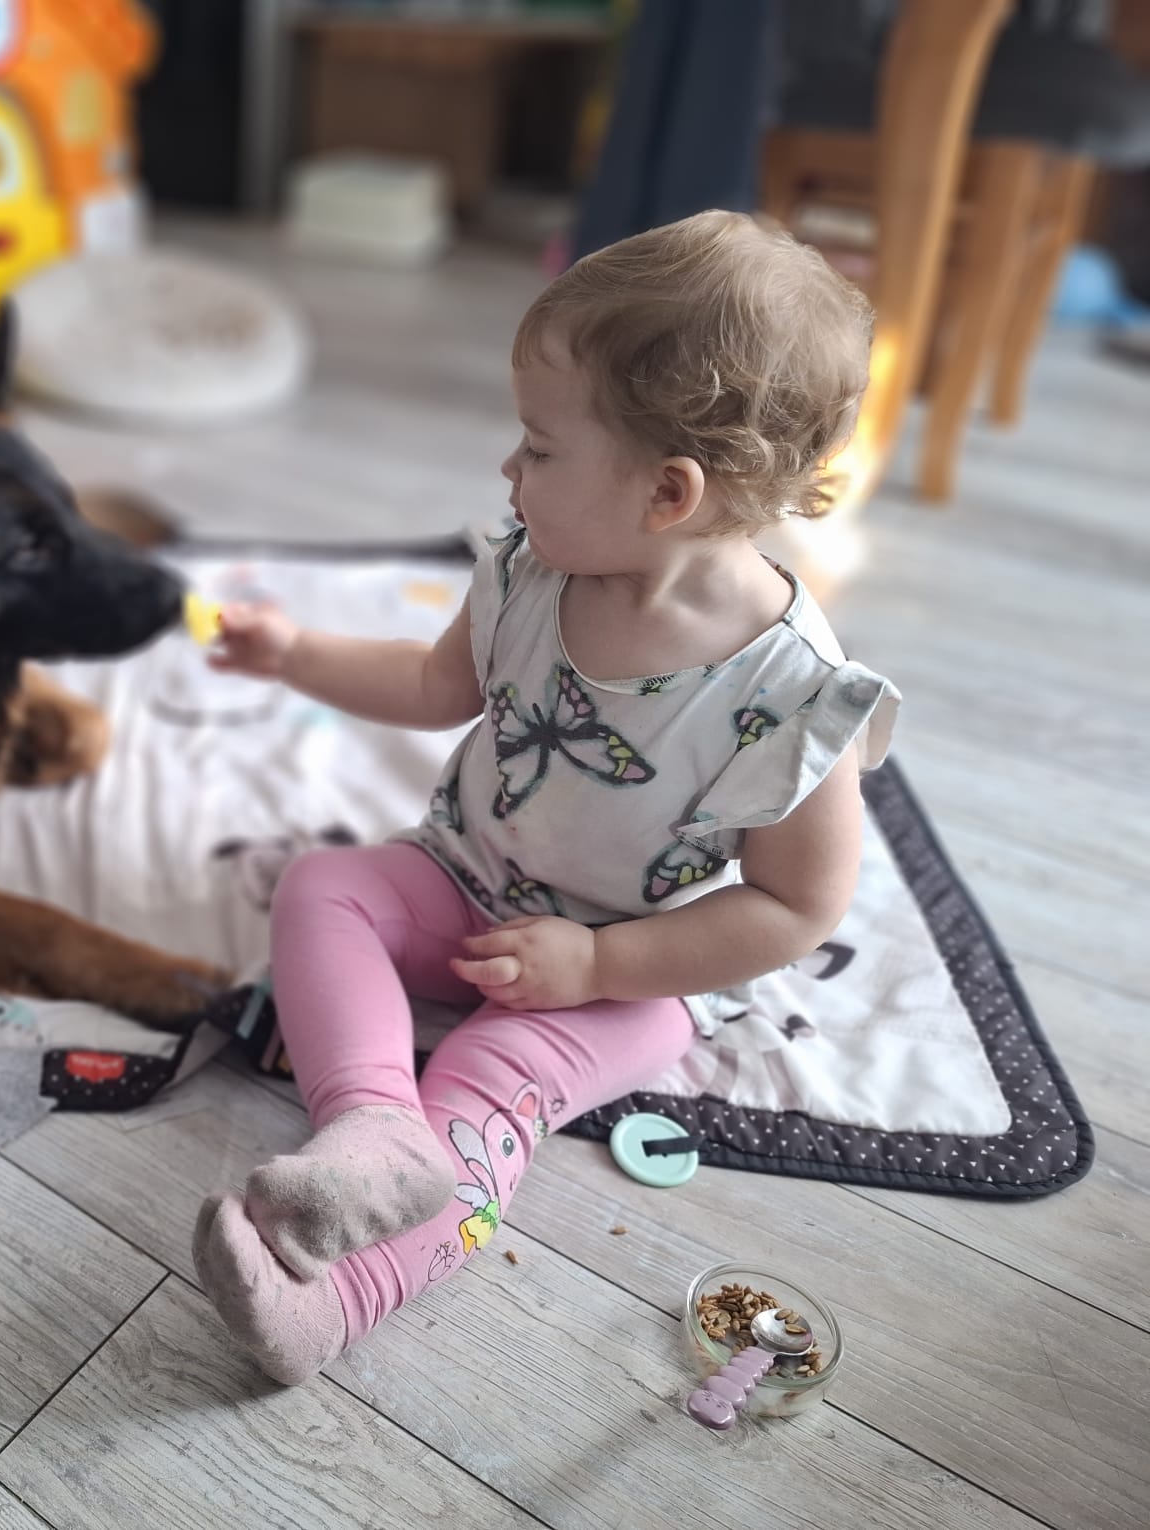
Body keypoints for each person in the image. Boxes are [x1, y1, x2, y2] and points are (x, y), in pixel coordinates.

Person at [194, 210, 899, 1384]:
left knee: (492, 1078)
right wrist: (296, 653)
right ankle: (376, 1128)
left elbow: (797, 908)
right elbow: (436, 685)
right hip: (464, 879)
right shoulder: (532, 569)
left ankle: (342, 1300)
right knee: (326, 888)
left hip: (632, 970)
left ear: (667, 493)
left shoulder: (790, 697)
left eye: (538, 448)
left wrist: (601, 965)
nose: (508, 472)